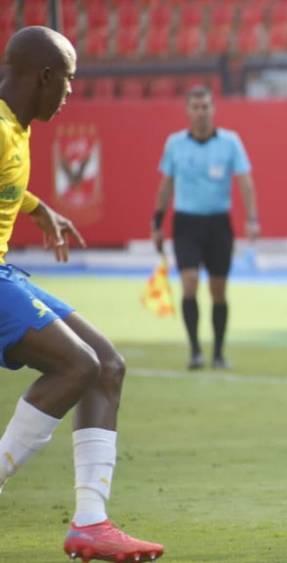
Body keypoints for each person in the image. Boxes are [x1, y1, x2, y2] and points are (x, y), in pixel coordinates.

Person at [0, 26, 164, 561]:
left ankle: (91, 523)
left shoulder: (15, 128)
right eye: (67, 81)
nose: (70, 93)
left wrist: (36, 207)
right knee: (75, 365)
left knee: (106, 365)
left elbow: (7, 183)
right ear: (44, 77)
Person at [152, 85, 260, 371]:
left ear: (214, 109)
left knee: (218, 290)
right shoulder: (175, 144)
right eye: (196, 107)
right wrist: (157, 223)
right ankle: (195, 350)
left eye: (206, 107)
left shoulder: (230, 142)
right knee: (189, 283)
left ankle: (219, 352)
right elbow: (166, 185)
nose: (201, 113)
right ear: (188, 111)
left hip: (218, 225)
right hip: (186, 223)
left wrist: (251, 219)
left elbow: (245, 181)